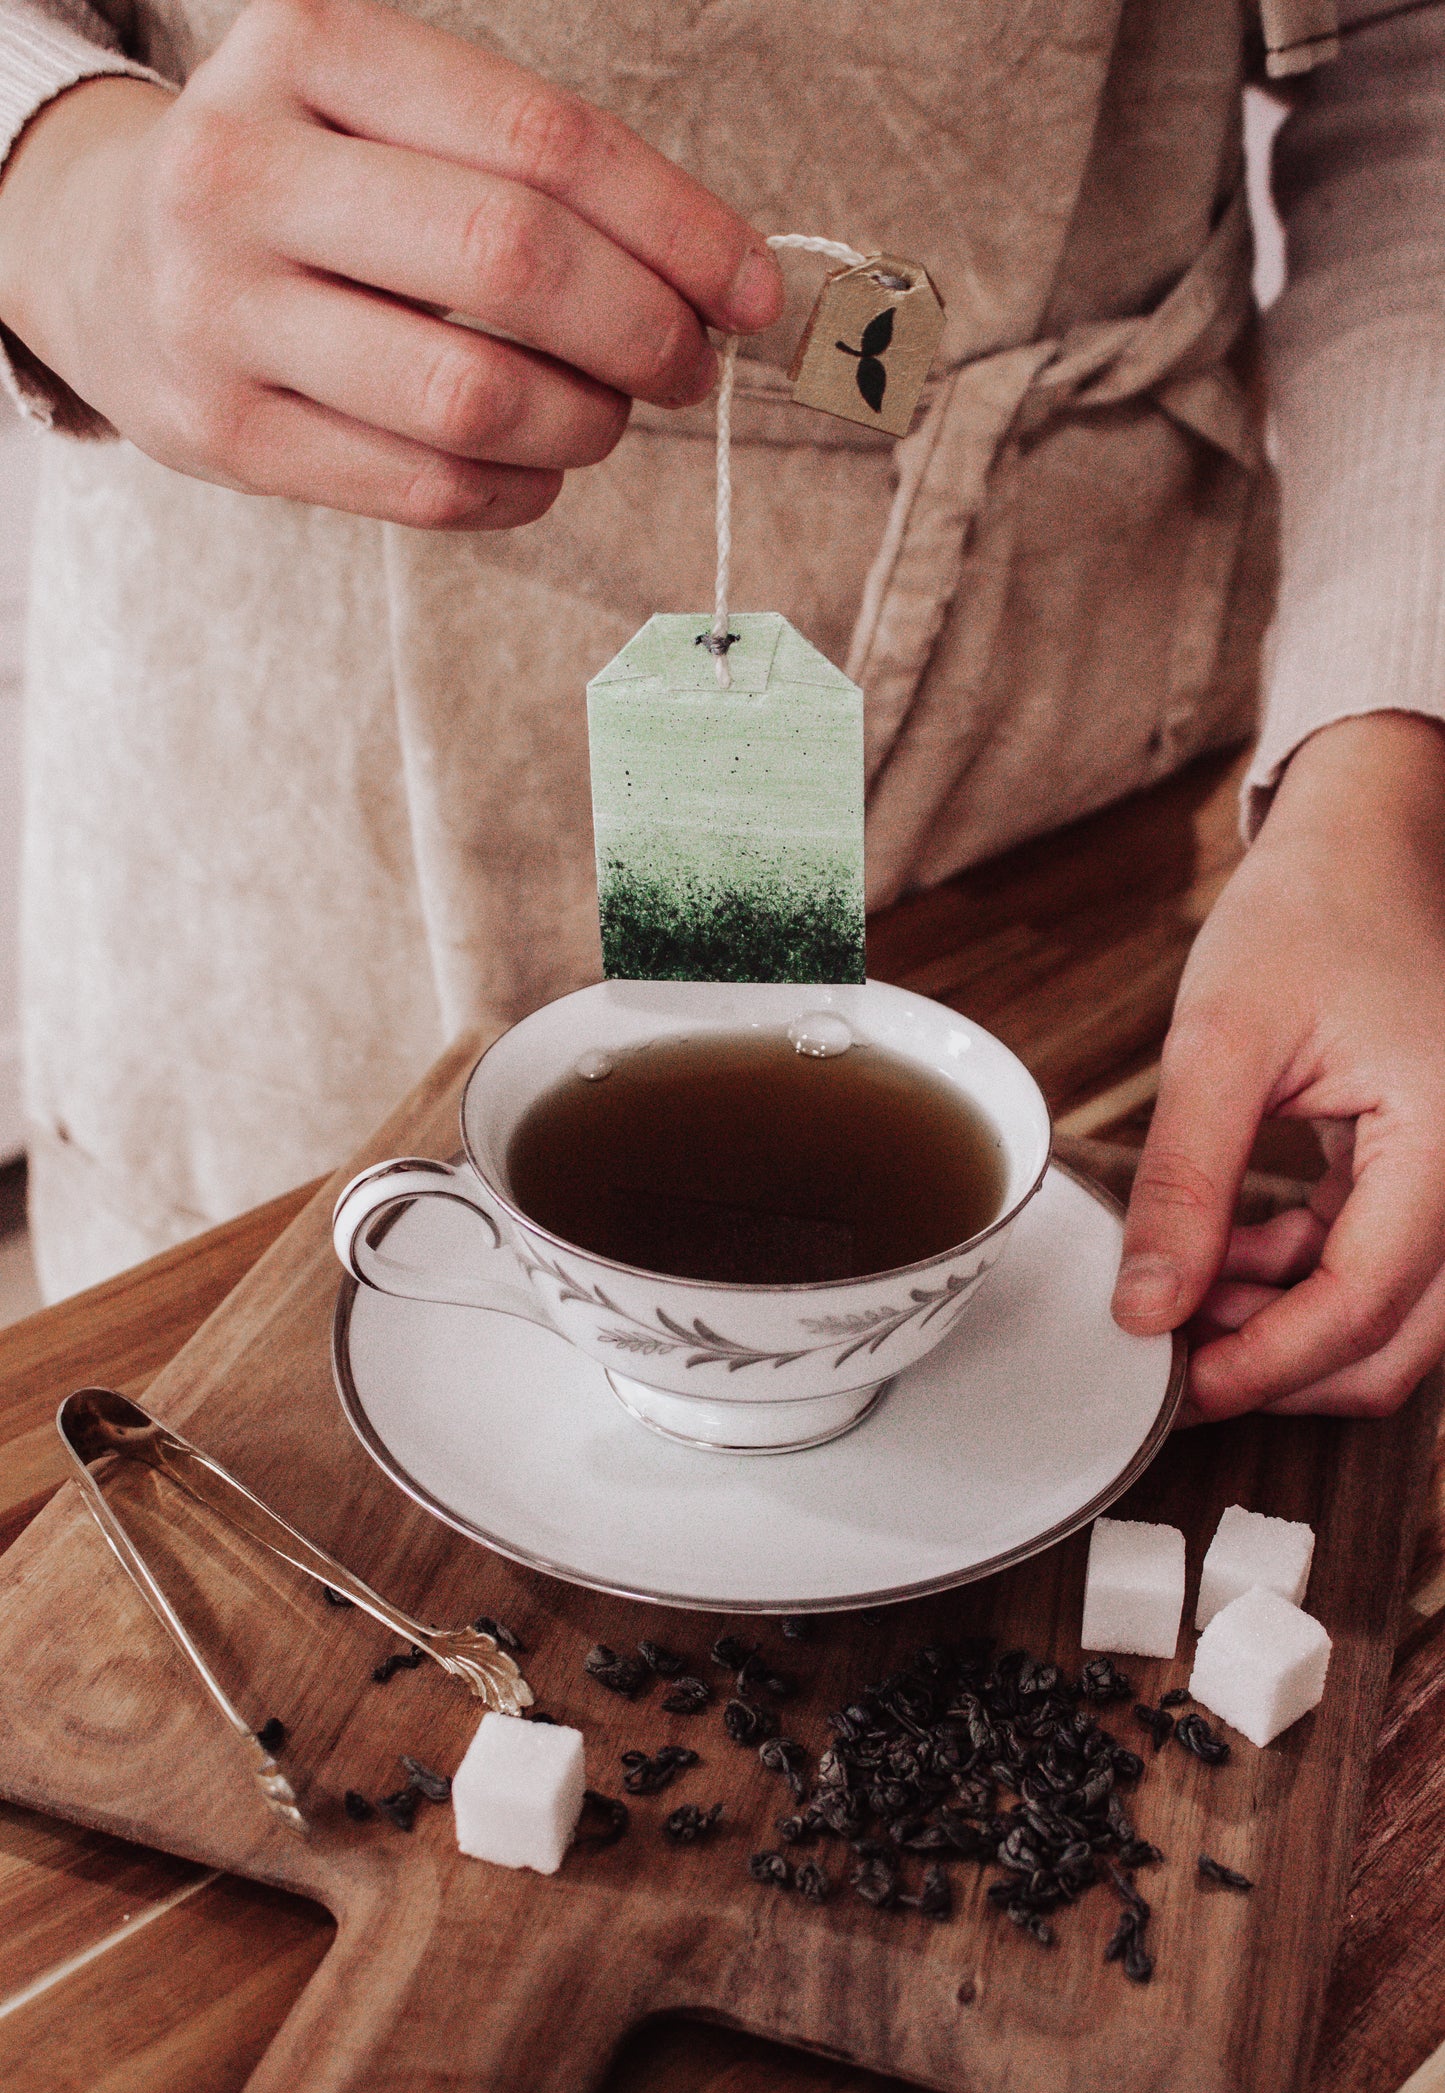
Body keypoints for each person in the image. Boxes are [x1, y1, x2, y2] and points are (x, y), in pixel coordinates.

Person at [0, 0, 1441, 1425]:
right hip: (269, 791)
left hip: (1062, 855)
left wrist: (1384, 759)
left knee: (1016, 1397)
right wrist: (57, 189)